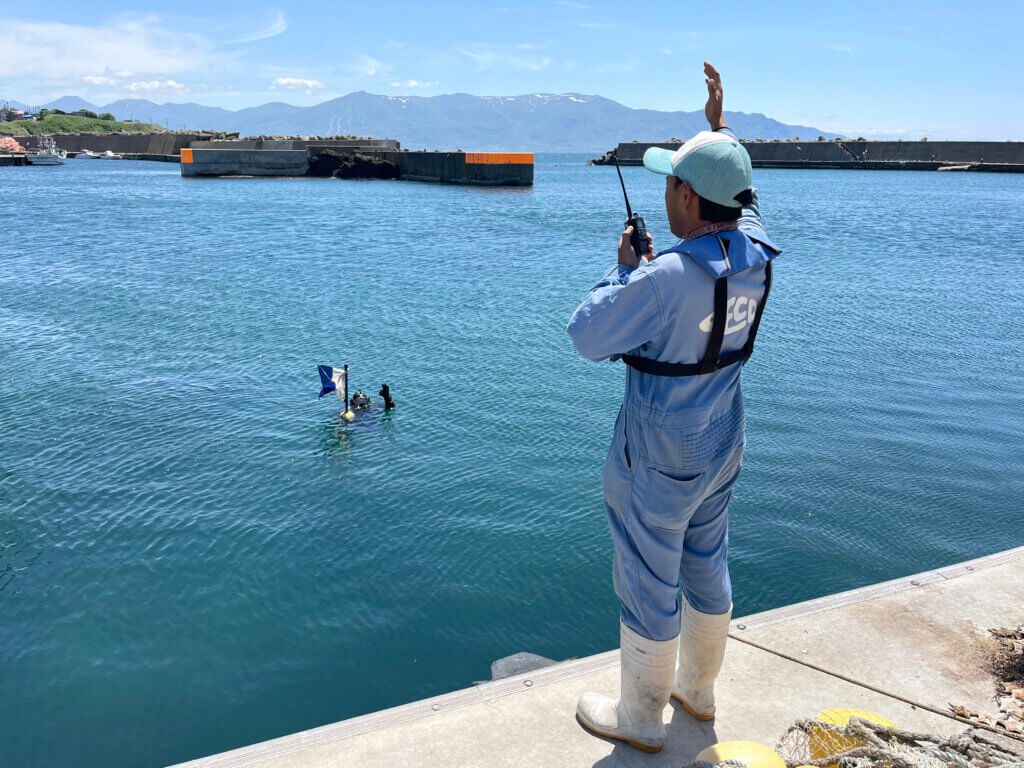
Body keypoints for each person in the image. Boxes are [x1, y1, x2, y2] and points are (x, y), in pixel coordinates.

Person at [567, 62, 781, 753]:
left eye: (670, 181)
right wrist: (719, 125)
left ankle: (640, 717)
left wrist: (624, 267)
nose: (664, 190)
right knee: (706, 560)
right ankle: (700, 691)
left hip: (661, 446)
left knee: (647, 571)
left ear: (687, 198)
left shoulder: (665, 277)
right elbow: (742, 195)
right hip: (725, 433)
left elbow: (588, 334)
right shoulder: (756, 251)